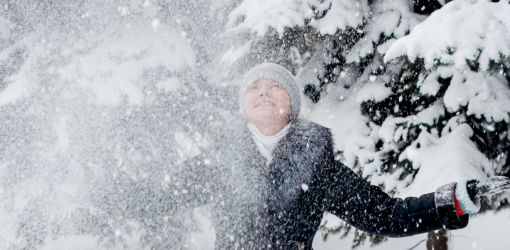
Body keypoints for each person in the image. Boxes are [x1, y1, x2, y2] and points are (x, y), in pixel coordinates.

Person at [173, 63, 510, 250]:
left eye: (274, 86)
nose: (262, 91)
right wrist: (120, 192)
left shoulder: (316, 166)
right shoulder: (217, 162)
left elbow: (386, 216)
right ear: (244, 107)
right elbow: (156, 196)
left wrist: (453, 201)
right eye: (253, 87)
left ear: (291, 105)